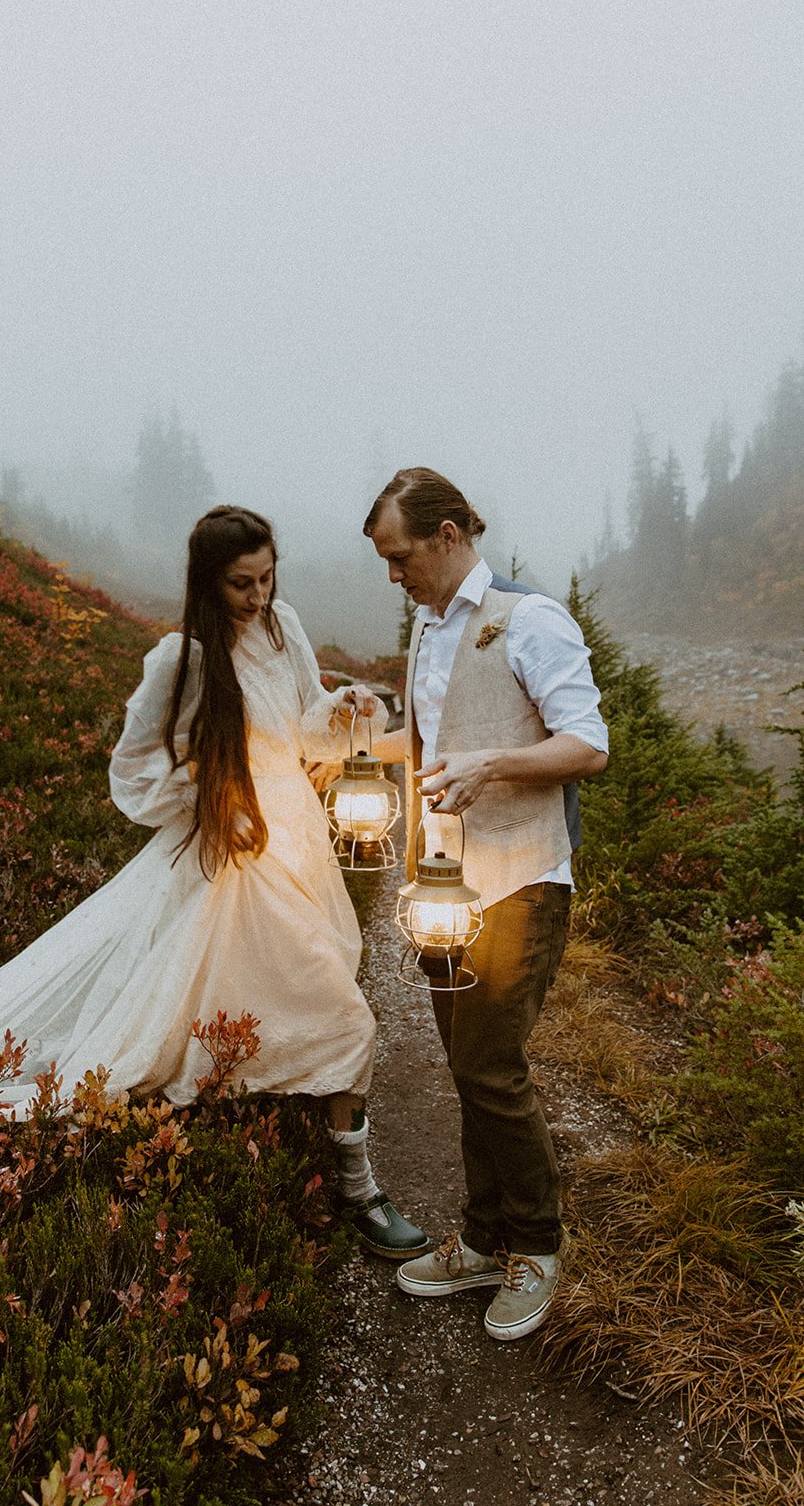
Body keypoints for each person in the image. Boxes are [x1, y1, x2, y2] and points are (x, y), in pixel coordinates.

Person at [0, 505, 427, 1260]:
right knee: (338, 1013)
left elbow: (299, 728)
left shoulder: (284, 627)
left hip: (295, 837)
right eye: (242, 584)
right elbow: (133, 770)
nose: (259, 597)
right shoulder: (184, 659)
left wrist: (340, 711)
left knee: (275, 995)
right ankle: (358, 1187)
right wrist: (211, 804)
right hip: (234, 852)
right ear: (208, 583)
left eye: (268, 578)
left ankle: (290, 1133)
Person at [362, 468, 608, 1340]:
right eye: (386, 563)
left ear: (451, 533)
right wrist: (361, 737)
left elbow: (587, 746)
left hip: (521, 880)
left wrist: (494, 765)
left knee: (491, 1070)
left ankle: (536, 1247)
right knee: (467, 1070)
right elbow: (442, 739)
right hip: (441, 890)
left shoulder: (529, 620)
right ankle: (483, 1238)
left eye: (400, 557)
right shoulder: (429, 628)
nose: (394, 576)